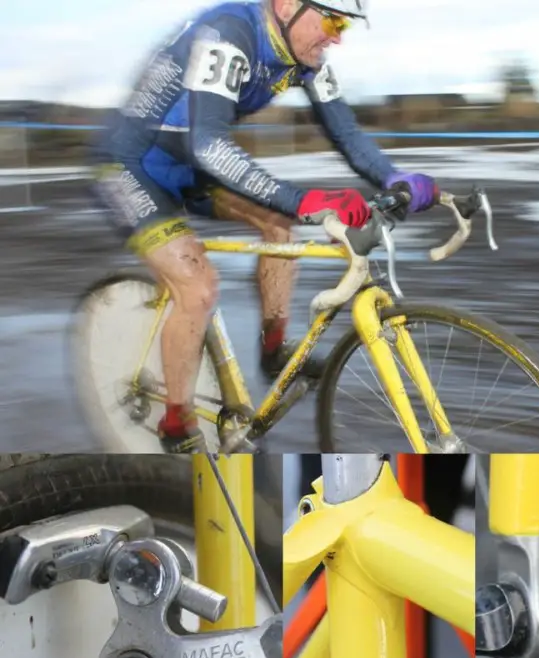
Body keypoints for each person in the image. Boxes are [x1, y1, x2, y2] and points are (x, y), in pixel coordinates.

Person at [90, 0, 440, 453]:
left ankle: (274, 352)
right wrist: (303, 199)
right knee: (197, 287)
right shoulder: (228, 32)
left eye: (344, 25)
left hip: (188, 164)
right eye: (333, 20)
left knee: (277, 225)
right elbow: (209, 144)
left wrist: (393, 177)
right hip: (130, 165)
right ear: (288, 5)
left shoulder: (304, 56)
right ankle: (176, 425)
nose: (337, 36)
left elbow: (348, 135)